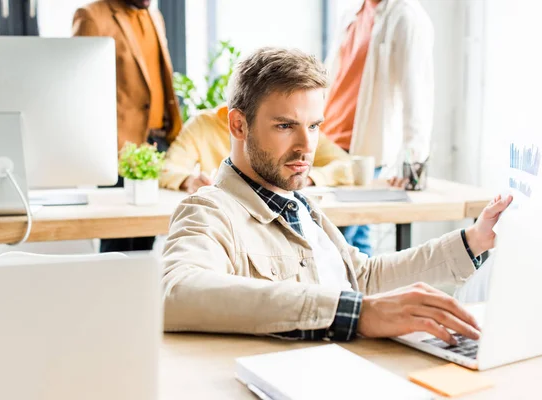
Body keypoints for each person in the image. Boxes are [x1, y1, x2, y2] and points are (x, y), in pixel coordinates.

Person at [162, 47, 511, 344]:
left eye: (314, 126)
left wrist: (474, 240)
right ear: (238, 125)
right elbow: (176, 292)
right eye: (285, 126)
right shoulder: (209, 210)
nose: (306, 146)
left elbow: (364, 278)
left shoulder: (299, 204)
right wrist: (354, 313)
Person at [321, 0, 434, 256]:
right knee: (355, 247)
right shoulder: (351, 13)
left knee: (334, 251)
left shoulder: (406, 16)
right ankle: (365, 297)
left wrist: (412, 163)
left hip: (363, 154)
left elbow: (417, 95)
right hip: (328, 146)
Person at [73, 0, 182, 252]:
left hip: (157, 145)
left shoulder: (154, 16)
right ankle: (109, 292)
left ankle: (137, 292)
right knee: (117, 238)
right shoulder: (92, 16)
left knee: (146, 237)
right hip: (118, 149)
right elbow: (78, 88)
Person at [160, 104, 353, 193]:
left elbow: (347, 165)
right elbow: (167, 169)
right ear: (237, 123)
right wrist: (189, 181)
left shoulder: (295, 121)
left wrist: (308, 177)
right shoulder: (202, 125)